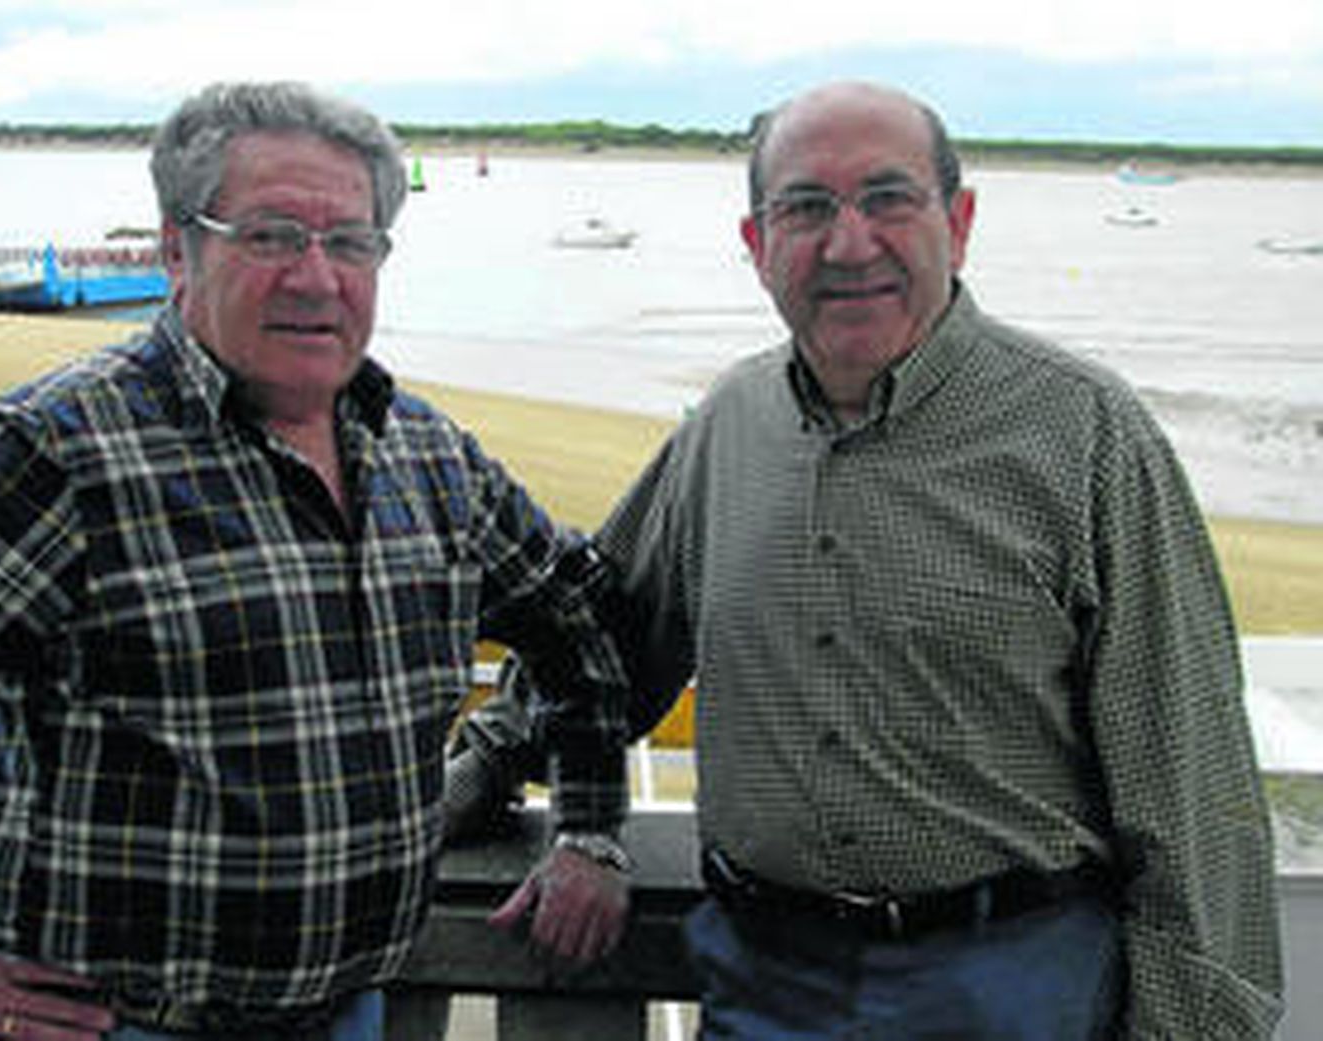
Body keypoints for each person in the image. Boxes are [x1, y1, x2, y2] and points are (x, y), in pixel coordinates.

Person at [0, 81, 632, 1041]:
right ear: (176, 248)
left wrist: (586, 826)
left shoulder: (429, 456)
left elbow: (577, 618)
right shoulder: (62, 453)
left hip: (353, 1010)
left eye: (351, 241)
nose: (317, 275)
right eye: (273, 234)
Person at [454, 80, 1284, 1038]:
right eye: (806, 208)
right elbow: (608, 635)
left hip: (1016, 984)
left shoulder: (1086, 434)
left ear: (959, 222)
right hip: (765, 981)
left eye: (889, 199)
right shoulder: (731, 424)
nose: (850, 244)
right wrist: (486, 767)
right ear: (758, 247)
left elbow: (1190, 786)